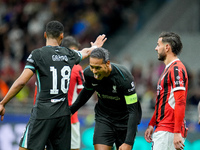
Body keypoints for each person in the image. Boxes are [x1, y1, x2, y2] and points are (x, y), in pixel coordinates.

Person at [0, 20, 107, 150]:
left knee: (25, 148)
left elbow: (21, 82)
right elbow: (84, 52)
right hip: (63, 115)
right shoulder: (69, 54)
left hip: (42, 113)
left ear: (45, 35)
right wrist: (95, 47)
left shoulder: (37, 55)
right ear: (62, 36)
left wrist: (3, 102)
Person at [70, 47, 142, 150]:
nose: (94, 72)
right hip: (104, 118)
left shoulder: (124, 77)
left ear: (107, 63)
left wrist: (128, 142)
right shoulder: (89, 73)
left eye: (97, 68)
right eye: (92, 67)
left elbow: (133, 110)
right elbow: (86, 92)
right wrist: (71, 110)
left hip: (124, 120)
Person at [144, 32, 188, 150]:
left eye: (158, 45)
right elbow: (162, 102)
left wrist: (177, 132)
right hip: (163, 128)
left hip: (169, 130)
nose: (156, 48)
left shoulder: (176, 68)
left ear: (167, 47)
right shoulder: (168, 69)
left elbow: (180, 101)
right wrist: (152, 124)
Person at [61, 36, 84, 150]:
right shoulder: (76, 67)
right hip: (71, 116)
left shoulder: (51, 65)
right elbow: (83, 93)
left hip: (51, 116)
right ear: (74, 49)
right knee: (74, 148)